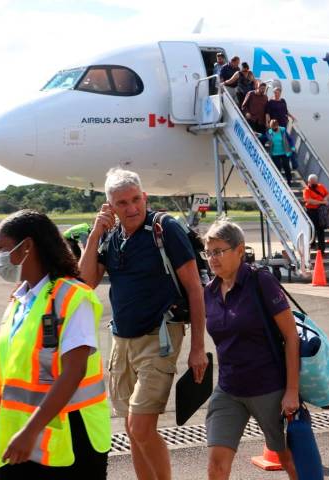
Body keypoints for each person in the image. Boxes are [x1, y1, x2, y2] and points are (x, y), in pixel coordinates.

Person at [79, 168, 208, 480]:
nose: (132, 208)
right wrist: (96, 232)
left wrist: (198, 349)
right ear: (110, 207)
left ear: (145, 197)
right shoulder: (111, 236)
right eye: (122, 203)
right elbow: (85, 282)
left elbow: (194, 288)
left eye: (136, 199)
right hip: (121, 341)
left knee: (140, 426)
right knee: (130, 428)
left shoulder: (165, 229)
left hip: (160, 337)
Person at [0, 210, 111, 478]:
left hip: (70, 441)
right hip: (20, 440)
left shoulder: (72, 296)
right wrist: (0, 425)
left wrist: (29, 431)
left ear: (27, 247)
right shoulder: (19, 301)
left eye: (2, 249)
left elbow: (74, 371)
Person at [203, 220, 299, 480]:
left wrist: (291, 391)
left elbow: (291, 336)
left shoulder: (261, 282)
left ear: (240, 250)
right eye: (209, 252)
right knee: (216, 465)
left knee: (289, 460)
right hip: (228, 390)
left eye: (219, 251)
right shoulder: (209, 292)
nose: (213, 258)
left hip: (268, 389)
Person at [303, 174, 329, 253]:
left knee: (321, 230)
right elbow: (309, 201)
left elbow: (328, 194)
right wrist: (322, 202)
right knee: (312, 228)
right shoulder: (306, 190)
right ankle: (312, 244)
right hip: (311, 211)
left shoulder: (321, 186)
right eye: (312, 183)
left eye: (315, 183)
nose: (313, 184)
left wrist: (325, 199)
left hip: (321, 210)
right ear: (309, 182)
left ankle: (322, 249)